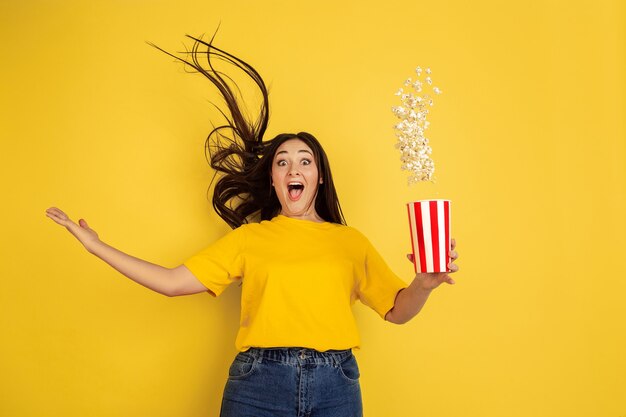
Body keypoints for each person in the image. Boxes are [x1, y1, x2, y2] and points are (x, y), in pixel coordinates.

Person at [46, 35, 459, 417]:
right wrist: (96, 245)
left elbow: (396, 311)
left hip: (337, 385)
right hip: (258, 383)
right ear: (274, 180)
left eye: (304, 161)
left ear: (318, 177)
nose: (293, 168)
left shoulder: (350, 242)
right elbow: (171, 282)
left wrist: (424, 283)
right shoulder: (249, 239)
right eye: (282, 162)